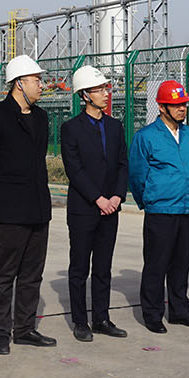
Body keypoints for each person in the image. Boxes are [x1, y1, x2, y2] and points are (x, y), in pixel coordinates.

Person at [0, 54, 56, 355]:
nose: (41, 85)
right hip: (9, 209)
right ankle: (0, 331)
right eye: (37, 80)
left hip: (38, 207)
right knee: (5, 273)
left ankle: (25, 329)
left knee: (32, 273)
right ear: (19, 83)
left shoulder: (41, 117)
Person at [128, 79, 189, 333]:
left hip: (186, 209)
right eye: (176, 105)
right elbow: (137, 175)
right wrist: (148, 200)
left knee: (181, 264)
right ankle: (152, 314)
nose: (182, 108)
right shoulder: (146, 136)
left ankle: (180, 311)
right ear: (162, 107)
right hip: (160, 211)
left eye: (184, 104)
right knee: (156, 264)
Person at [59, 65, 129, 341]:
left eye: (105, 88)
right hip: (84, 209)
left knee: (103, 267)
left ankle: (101, 318)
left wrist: (117, 196)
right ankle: (80, 321)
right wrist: (98, 198)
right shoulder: (70, 129)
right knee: (79, 268)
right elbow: (74, 170)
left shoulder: (115, 126)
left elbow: (123, 164)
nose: (105, 93)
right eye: (99, 90)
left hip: (110, 208)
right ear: (85, 95)